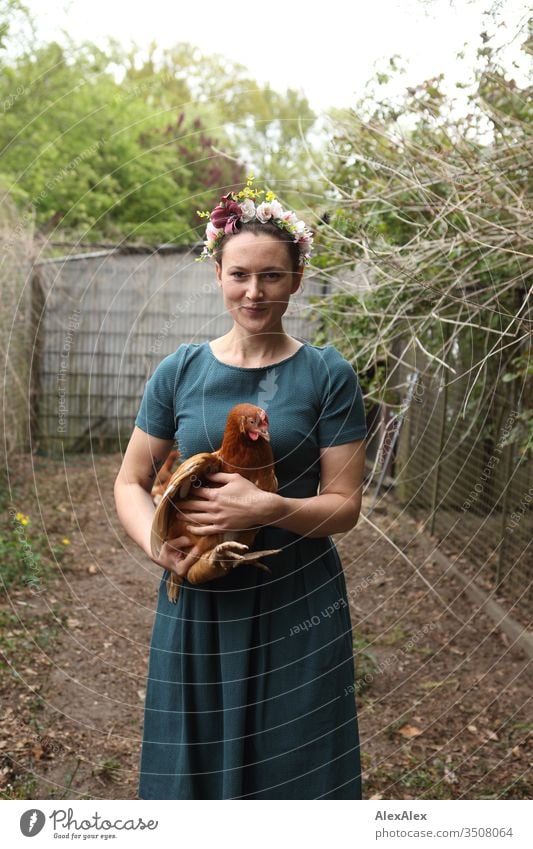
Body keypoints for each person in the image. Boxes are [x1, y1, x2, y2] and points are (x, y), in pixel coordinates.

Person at [114, 178, 368, 799]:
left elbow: (346, 507)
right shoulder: (180, 371)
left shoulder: (327, 374)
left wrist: (268, 506)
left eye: (272, 276)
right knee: (191, 768)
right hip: (200, 595)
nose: (254, 292)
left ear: (297, 278)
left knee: (294, 766)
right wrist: (159, 546)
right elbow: (129, 481)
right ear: (219, 275)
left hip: (298, 597)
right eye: (240, 275)